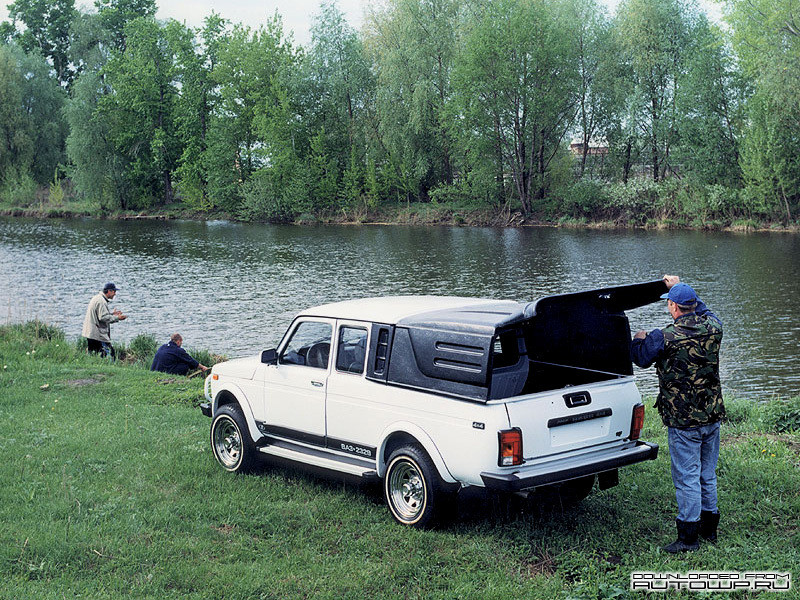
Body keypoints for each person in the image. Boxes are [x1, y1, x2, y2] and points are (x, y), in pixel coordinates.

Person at [631, 275, 724, 553]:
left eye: (669, 304)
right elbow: (705, 311)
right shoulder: (714, 328)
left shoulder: (664, 337)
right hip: (711, 416)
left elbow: (641, 359)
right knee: (707, 474)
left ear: (673, 307)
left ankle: (688, 538)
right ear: (693, 305)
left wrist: (638, 340)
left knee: (687, 477)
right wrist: (680, 287)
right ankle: (710, 531)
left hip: (683, 421)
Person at [82, 282, 127, 359]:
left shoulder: (97, 298)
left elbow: (100, 314)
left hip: (91, 332)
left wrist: (112, 314)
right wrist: (118, 318)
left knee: (94, 356)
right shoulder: (101, 301)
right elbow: (103, 317)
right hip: (97, 334)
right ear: (109, 291)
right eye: (114, 291)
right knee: (111, 355)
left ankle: (94, 368)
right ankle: (110, 369)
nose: (115, 294)